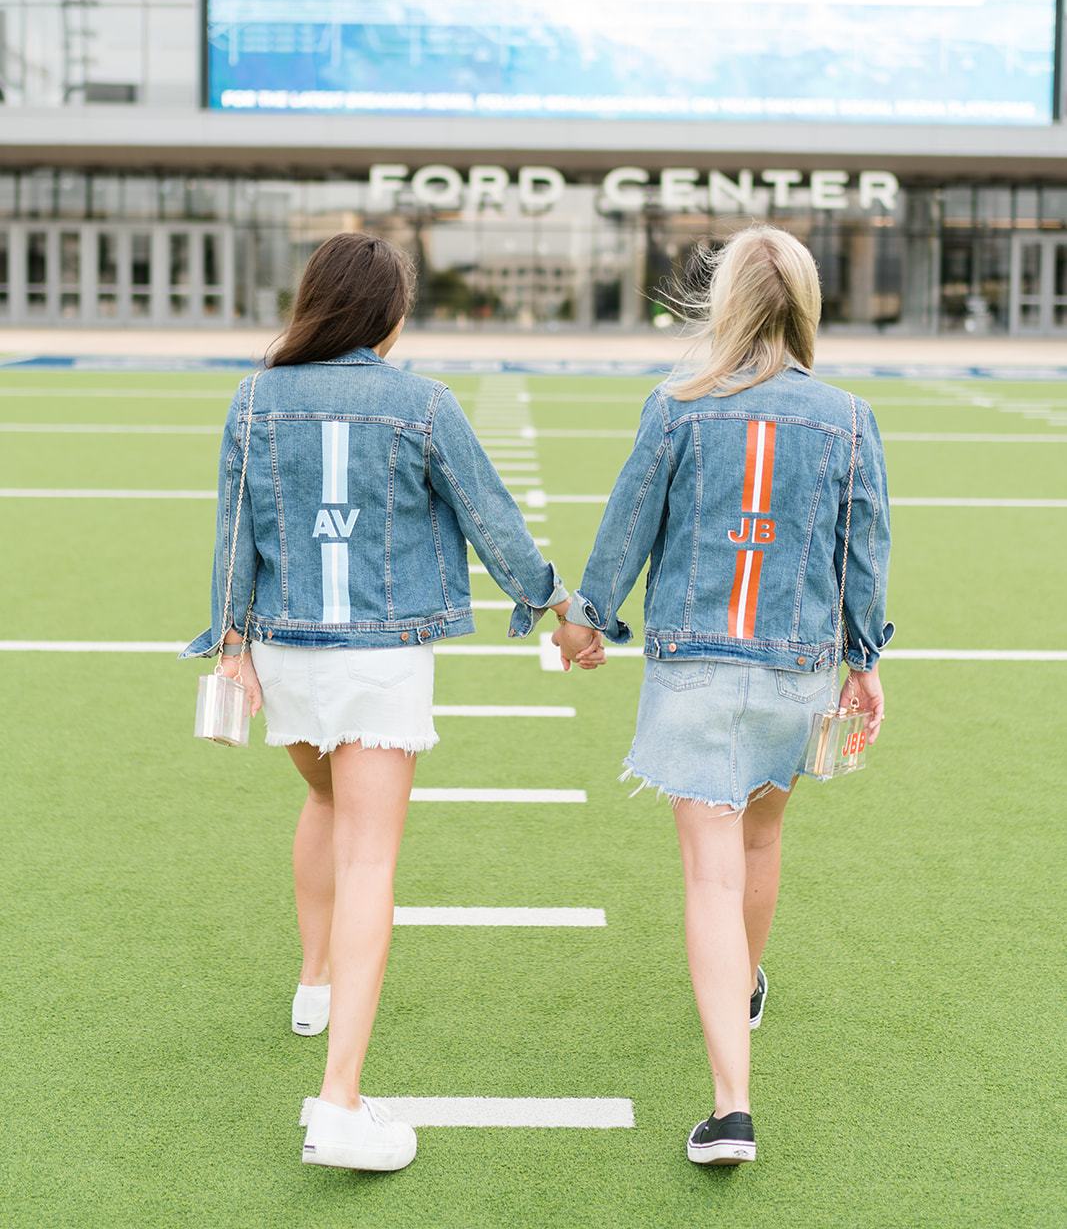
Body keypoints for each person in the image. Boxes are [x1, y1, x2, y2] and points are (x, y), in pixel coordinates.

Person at [182, 232, 589, 1174]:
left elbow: (231, 536)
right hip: (380, 659)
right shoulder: (421, 403)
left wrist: (232, 647)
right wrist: (561, 609)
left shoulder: (254, 398)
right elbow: (493, 520)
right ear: (386, 314)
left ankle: (312, 983)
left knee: (321, 801)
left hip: (285, 653)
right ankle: (338, 1102)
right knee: (371, 862)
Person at [554, 225, 892, 1168]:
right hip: (797, 669)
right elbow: (862, 551)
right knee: (762, 836)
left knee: (709, 873)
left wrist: (586, 619)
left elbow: (626, 526)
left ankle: (731, 1107)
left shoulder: (675, 406)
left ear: (725, 300)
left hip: (693, 663)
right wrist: (865, 659)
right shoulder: (846, 415)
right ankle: (741, 986)